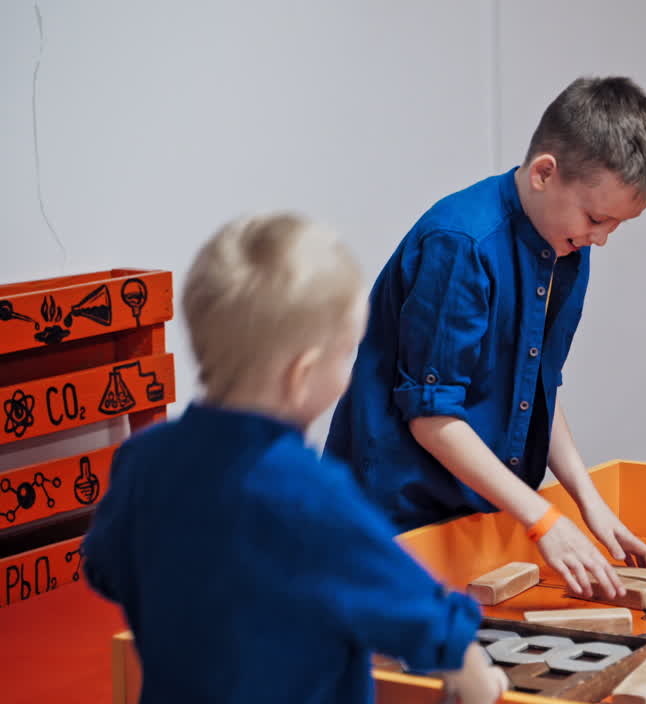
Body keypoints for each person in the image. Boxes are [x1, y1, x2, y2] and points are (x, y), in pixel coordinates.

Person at [83, 214, 506, 704]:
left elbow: (105, 569)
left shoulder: (142, 461)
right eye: (347, 353)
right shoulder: (311, 496)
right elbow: (420, 613)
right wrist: (471, 671)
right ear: (302, 373)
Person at [325, 76, 646, 598]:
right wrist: (542, 519)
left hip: (480, 514)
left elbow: (537, 387)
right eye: (597, 217)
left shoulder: (566, 246)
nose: (601, 237)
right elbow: (432, 417)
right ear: (544, 173)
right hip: (398, 522)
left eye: (616, 226)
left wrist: (587, 499)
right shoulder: (462, 245)